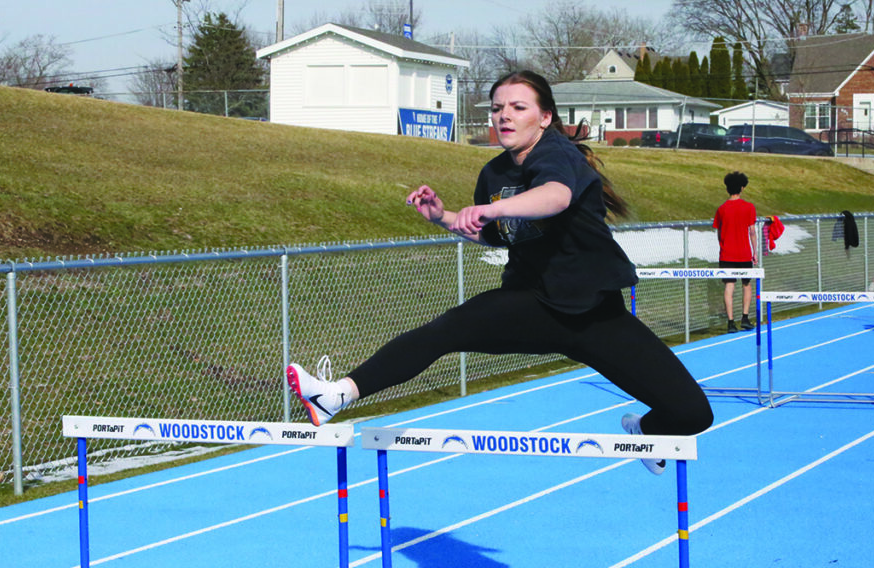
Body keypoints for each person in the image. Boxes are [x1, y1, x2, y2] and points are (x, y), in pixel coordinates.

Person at [285, 70, 713, 475]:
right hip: (533, 305)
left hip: (596, 315)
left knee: (693, 414)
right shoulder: (493, 173)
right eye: (496, 108)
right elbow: (498, 236)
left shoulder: (558, 155)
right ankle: (336, 394)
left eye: (517, 107)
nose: (503, 115)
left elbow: (555, 198)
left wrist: (494, 208)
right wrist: (444, 217)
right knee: (445, 331)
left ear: (545, 117)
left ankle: (645, 431)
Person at [713, 171, 758, 332]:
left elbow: (719, 232)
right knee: (747, 285)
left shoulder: (722, 209)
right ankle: (744, 317)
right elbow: (752, 231)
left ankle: (731, 322)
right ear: (742, 188)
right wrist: (755, 252)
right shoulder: (749, 207)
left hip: (727, 254)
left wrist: (723, 245)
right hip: (744, 253)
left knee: (729, 287)